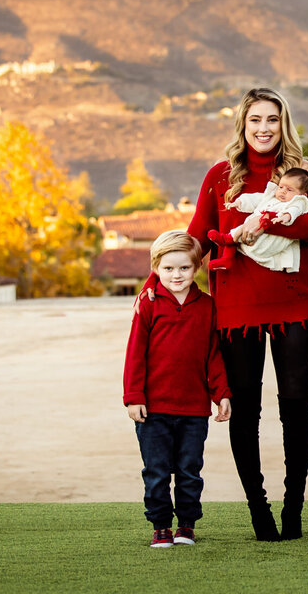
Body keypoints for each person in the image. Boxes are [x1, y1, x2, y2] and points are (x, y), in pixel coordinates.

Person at [141, 88, 308, 542]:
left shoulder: (302, 175)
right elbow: (194, 243)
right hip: (236, 309)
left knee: (295, 406)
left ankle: (294, 508)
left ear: (283, 124)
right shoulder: (219, 177)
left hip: (292, 303)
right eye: (255, 121)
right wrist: (154, 283)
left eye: (272, 119)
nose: (264, 128)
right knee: (245, 410)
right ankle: (259, 510)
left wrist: (269, 220)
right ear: (242, 127)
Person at [123, 230, 232, 548]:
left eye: (184, 268)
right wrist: (133, 397)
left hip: (193, 410)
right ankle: (160, 527)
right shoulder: (148, 303)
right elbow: (135, 353)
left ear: (196, 267)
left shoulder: (207, 307)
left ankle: (186, 525)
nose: (176, 275)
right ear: (156, 267)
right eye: (168, 268)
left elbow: (213, 354)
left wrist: (221, 393)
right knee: (156, 471)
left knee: (189, 470)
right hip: (153, 410)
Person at [207, 168, 308, 273]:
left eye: (289, 189)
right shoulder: (271, 197)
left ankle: (225, 239)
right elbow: (254, 199)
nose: (283, 191)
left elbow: (294, 210)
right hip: (249, 233)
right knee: (237, 233)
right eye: (281, 187)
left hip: (268, 240)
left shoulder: (298, 202)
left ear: (302, 195)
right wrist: (239, 202)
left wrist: (286, 216)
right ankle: (227, 258)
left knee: (239, 233)